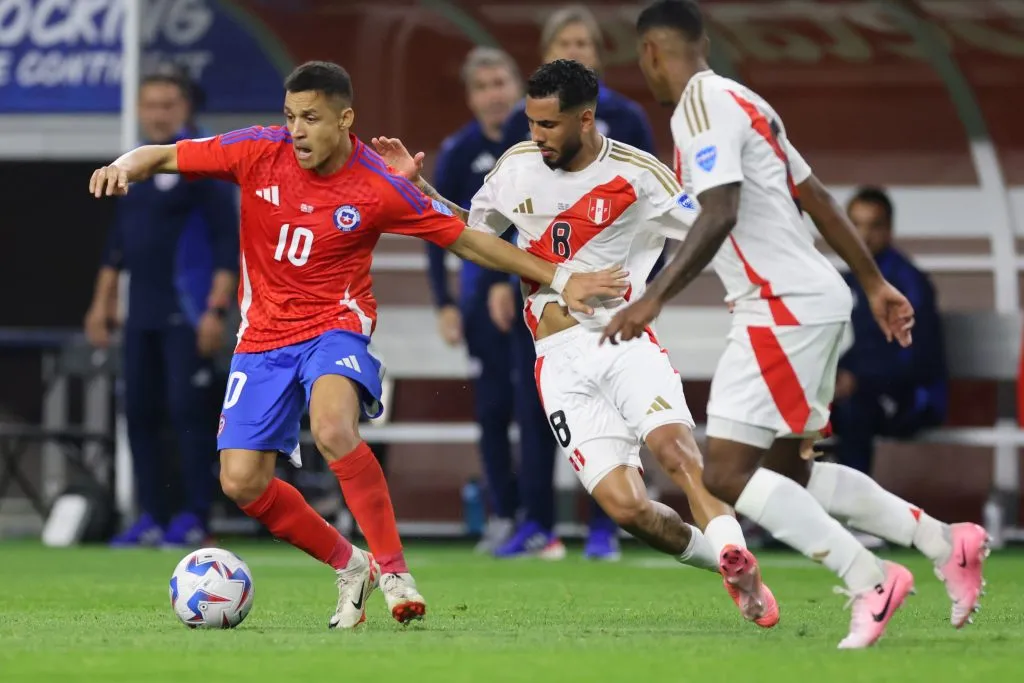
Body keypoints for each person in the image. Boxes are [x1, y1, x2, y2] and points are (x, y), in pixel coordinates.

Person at [88, 61, 624, 629]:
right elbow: (163, 155)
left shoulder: (377, 184)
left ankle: (394, 572)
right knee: (241, 481)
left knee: (333, 429)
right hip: (262, 337)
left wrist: (560, 277)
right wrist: (122, 166)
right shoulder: (257, 150)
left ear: (345, 119)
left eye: (311, 118)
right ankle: (351, 564)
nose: (297, 131)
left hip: (334, 326)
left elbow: (469, 241)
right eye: (290, 117)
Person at [605, 0, 988, 648]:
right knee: (789, 471)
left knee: (724, 474)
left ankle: (869, 578)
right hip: (806, 300)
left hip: (779, 305)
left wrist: (654, 298)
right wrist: (873, 282)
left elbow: (720, 210)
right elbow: (817, 197)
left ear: (649, 53)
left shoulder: (697, 107)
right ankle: (946, 542)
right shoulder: (745, 100)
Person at [373, 58, 779, 629]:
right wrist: (420, 191)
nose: (535, 136)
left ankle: (733, 544)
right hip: (557, 362)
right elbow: (471, 234)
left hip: (623, 342)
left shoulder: (639, 175)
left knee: (675, 452)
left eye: (548, 125)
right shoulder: (517, 167)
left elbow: (714, 227)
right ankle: (731, 567)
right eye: (531, 123)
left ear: (585, 119)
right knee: (627, 508)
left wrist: (732, 291)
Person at [491, 4, 660, 562]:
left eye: (583, 43)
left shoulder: (627, 121)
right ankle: (537, 524)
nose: (575, 50)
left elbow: (656, 209)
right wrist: (502, 281)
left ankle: (606, 528)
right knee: (536, 409)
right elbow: (494, 220)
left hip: (610, 296)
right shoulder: (524, 134)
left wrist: (646, 287)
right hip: (541, 298)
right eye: (565, 43)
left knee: (615, 413)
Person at [85, 70, 239, 548]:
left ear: (184, 108)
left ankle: (194, 515)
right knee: (139, 412)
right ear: (139, 109)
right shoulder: (132, 167)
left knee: (187, 411)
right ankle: (151, 514)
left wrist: (216, 310)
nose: (158, 114)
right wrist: (101, 303)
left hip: (188, 314)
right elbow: (117, 246)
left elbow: (227, 244)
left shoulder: (201, 165)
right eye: (150, 105)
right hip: (142, 315)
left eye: (167, 105)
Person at [422, 47, 530, 553]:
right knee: (492, 409)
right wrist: (444, 303)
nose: (494, 95)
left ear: (517, 86)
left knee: (538, 409)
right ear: (470, 97)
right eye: (483, 87)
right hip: (478, 302)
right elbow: (433, 227)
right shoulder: (460, 151)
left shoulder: (535, 141)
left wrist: (510, 281)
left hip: (533, 292)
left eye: (500, 83)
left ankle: (540, 517)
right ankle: (504, 514)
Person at [832, 187, 947, 475]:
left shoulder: (908, 283)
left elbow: (914, 356)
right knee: (796, 410)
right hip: (859, 390)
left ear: (889, 229)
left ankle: (851, 501)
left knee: (852, 411)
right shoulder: (846, 280)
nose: (864, 235)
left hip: (912, 397)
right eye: (856, 225)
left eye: (874, 226)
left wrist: (858, 379)